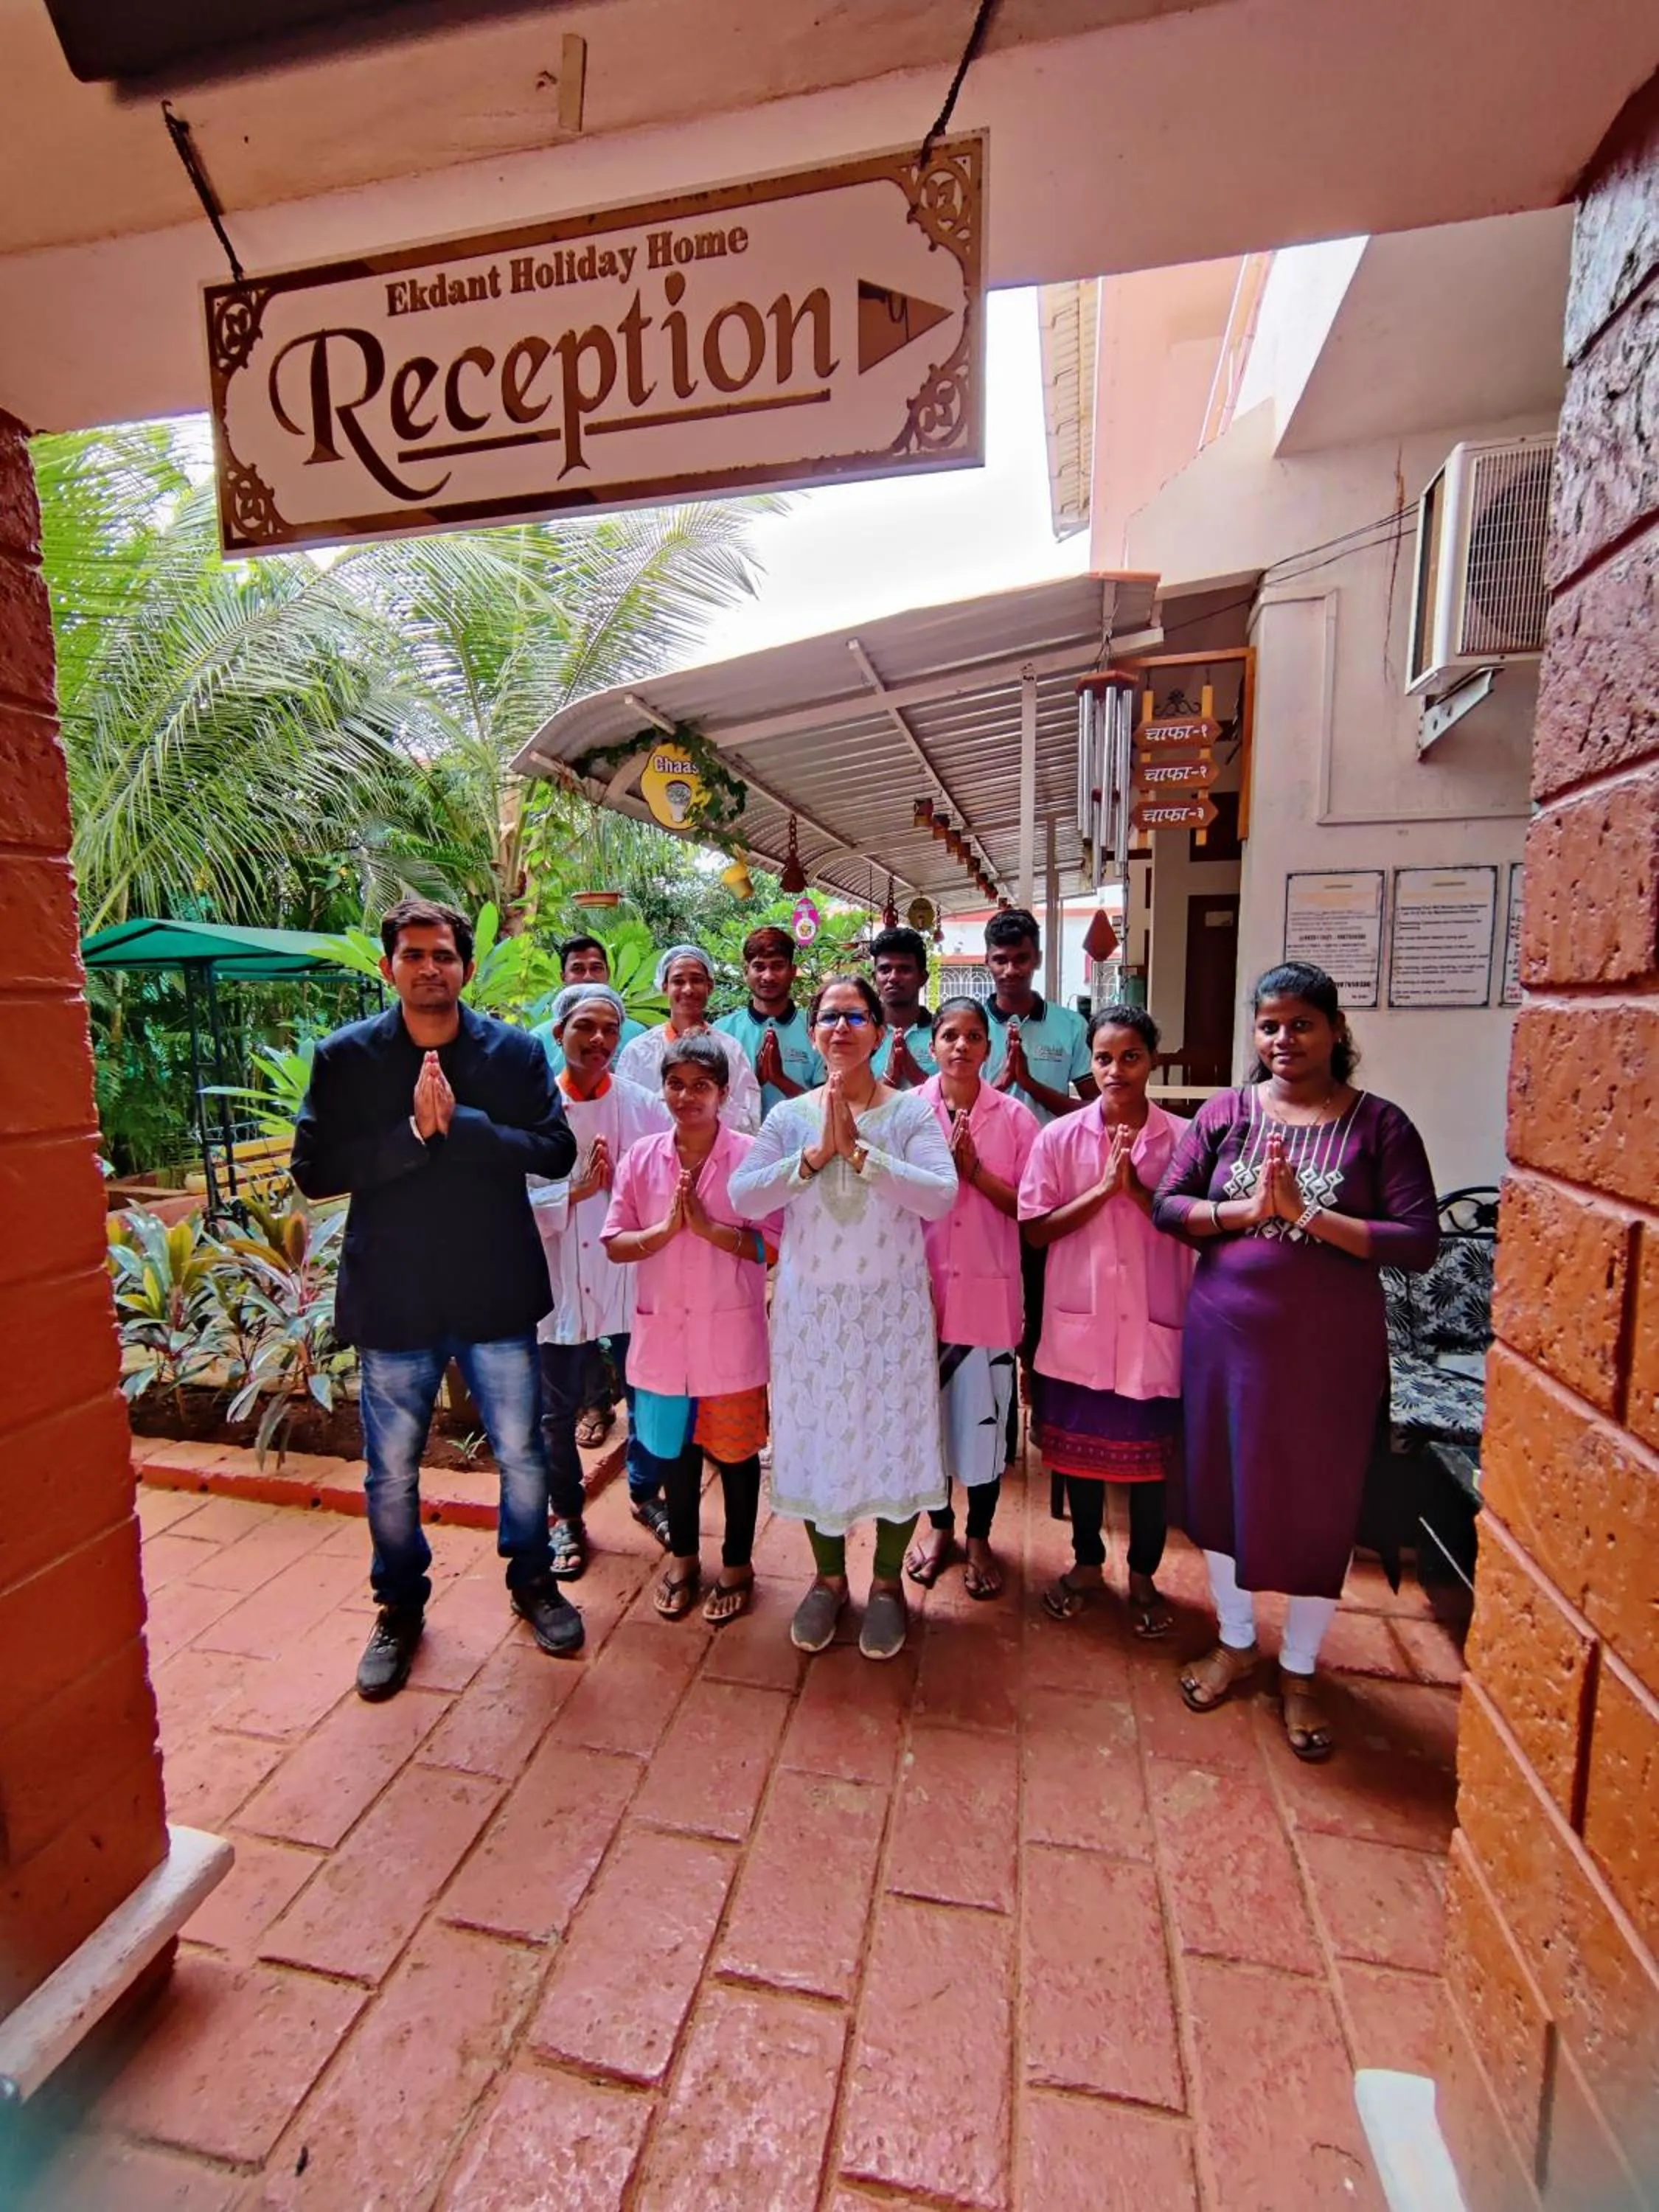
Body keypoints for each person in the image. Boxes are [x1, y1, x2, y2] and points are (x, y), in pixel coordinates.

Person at [291, 897, 584, 1699]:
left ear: (465, 964)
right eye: (414, 955)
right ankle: (400, 1606)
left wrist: (467, 1128)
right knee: (390, 1472)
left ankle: (532, 1579)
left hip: (494, 1288)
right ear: (390, 966)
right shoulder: (347, 1059)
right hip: (396, 1296)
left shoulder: (515, 1054)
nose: (430, 968)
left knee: (522, 1455)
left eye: (444, 954)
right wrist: (413, 1139)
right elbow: (314, 1170)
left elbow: (556, 1151)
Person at [1152, 961, 1439, 1760]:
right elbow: (1168, 1206)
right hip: (1222, 1342)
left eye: (1302, 1023)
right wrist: (1247, 1211)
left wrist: (1310, 1216)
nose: (1285, 1039)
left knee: (1319, 1500)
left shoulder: (1380, 1127)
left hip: (1327, 1355)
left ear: (1336, 1031)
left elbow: (1419, 1242)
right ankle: (1237, 1641)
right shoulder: (1225, 1115)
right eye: (1271, 1024)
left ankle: (1303, 1669)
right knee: (1219, 1486)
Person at [730, 975, 957, 1660]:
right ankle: (829, 1581)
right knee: (818, 1439)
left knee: (895, 1439)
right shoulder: (787, 1117)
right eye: (828, 1017)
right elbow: (744, 1196)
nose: (838, 1028)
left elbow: (940, 1197)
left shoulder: (912, 1114)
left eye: (853, 1016)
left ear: (878, 1032)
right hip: (812, 1318)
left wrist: (861, 1153)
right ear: (815, 1031)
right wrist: (816, 1156)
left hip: (890, 1317)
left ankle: (887, 1586)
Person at [1019, 1006, 1195, 1637]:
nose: (1115, 1070)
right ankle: (1088, 1561)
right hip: (1078, 1330)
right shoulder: (1058, 1139)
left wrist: (1139, 1193)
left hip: (1153, 1328)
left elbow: (1197, 1225)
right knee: (1079, 1461)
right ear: (1088, 1064)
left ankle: (1144, 1575)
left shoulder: (1184, 1139)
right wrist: (1101, 1193)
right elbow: (1035, 1230)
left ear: (1152, 1060)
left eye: (1129, 1057)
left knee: (1149, 1469)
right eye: (1102, 1058)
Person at [602, 1034, 782, 1625]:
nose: (687, 1096)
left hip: (729, 1340)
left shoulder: (752, 1157)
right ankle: (682, 1559)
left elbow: (772, 1245)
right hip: (662, 1344)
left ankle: (737, 1565)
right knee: (674, 1457)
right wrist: (661, 1233)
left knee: (735, 1457)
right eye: (676, 1084)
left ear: (724, 1093)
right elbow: (616, 1242)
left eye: (701, 1086)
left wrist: (706, 1228)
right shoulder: (641, 1157)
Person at [529, 983, 671, 1580]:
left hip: (629, 1275)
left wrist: (625, 1192)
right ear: (558, 1032)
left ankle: (644, 1492)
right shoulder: (531, 1110)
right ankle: (565, 1515)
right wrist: (576, 1191)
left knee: (646, 1397)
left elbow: (666, 1180)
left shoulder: (643, 1106)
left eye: (611, 1030)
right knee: (556, 1414)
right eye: (585, 1027)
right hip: (559, 1282)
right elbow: (510, 1200)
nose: (599, 1041)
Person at [905, 997, 1040, 1599]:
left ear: (989, 1049)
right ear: (930, 1047)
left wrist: (976, 1173)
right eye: (949, 1036)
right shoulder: (905, 1114)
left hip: (988, 1297)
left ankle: (981, 1535)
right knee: (928, 1425)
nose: (961, 1046)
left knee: (983, 1429)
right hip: (920, 1298)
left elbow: (1033, 1212)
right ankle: (940, 1529)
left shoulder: (1015, 1120)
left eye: (973, 1037)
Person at [617, 942, 762, 1133]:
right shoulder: (639, 1051)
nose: (688, 989)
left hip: (720, 1159)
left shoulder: (730, 1050)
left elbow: (750, 1120)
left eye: (696, 980)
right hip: (654, 1160)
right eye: (678, 981)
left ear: (709, 986)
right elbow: (624, 1118)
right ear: (664, 986)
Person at [982, 908, 1096, 1121]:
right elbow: (952, 1108)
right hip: (982, 1154)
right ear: (987, 961)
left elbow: (1095, 1109)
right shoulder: (968, 1029)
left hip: (1051, 1153)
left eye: (1021, 959)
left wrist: (1030, 1085)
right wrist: (1004, 1082)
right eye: (1001, 960)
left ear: (1038, 959)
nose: (1011, 970)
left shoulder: (1072, 1026)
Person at [715, 925, 825, 1117]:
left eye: (777, 966)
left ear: (792, 971)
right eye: (759, 967)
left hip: (804, 1144)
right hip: (739, 1145)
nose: (768, 976)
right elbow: (714, 1104)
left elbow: (826, 1107)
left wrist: (780, 1079)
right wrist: (755, 1080)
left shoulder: (818, 1028)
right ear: (745, 972)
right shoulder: (722, 1031)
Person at [532, 936, 647, 1077]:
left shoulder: (637, 1034)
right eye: (578, 969)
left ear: (608, 973)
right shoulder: (539, 1039)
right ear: (564, 977)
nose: (588, 977)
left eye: (596, 968)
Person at [869, 925, 938, 1088]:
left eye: (904, 969)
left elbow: (956, 1099)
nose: (893, 978)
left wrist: (916, 1075)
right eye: (885, 970)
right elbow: (850, 1099)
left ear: (923, 977)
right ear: (874, 978)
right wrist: (889, 1079)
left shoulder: (943, 1033)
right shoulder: (860, 1033)